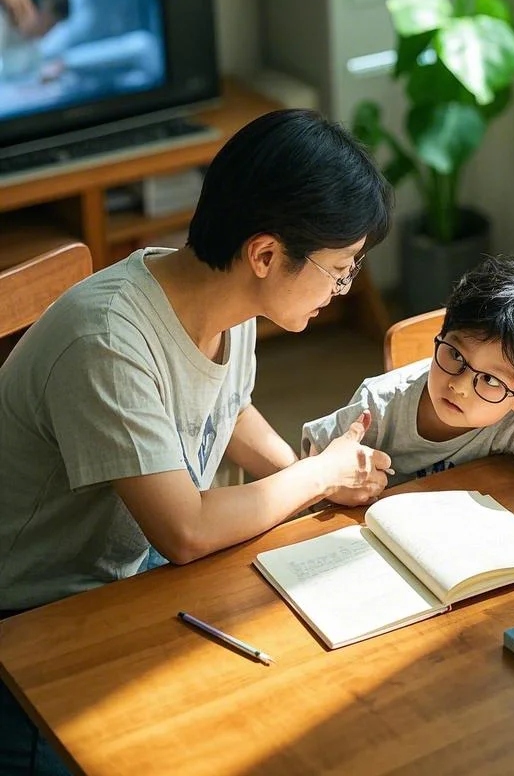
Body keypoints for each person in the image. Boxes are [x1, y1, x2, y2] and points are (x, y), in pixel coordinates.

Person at [0, 107, 393, 776]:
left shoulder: (220, 300)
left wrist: (321, 478)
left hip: (126, 584)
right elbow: (184, 529)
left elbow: (226, 410)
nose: (340, 288)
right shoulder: (107, 340)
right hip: (32, 625)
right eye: (339, 270)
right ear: (265, 254)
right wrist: (318, 477)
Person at [302, 254, 514, 505]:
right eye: (456, 356)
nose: (458, 386)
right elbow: (309, 468)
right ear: (440, 336)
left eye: (489, 379)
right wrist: (336, 488)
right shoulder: (379, 404)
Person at [0, 0, 70, 79]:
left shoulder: (30, 46)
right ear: (26, 4)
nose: (43, 33)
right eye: (44, 23)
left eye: (50, 28)